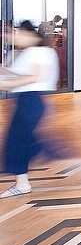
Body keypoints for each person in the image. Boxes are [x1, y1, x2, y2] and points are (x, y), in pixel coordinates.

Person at [0, 21, 59, 198]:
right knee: (19, 140)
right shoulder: (29, 52)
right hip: (27, 101)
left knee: (17, 141)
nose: (12, 37)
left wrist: (5, 84)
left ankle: (23, 183)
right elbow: (21, 74)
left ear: (29, 34)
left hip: (31, 101)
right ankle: (23, 180)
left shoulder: (39, 51)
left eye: (16, 34)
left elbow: (35, 77)